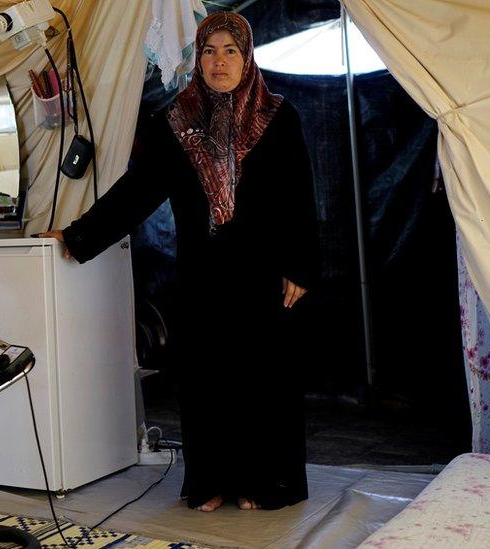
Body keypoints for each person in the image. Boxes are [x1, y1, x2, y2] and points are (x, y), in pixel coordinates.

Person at [40, 11, 318, 512]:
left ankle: (260, 481)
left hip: (260, 272)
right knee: (208, 378)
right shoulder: (177, 121)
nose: (219, 61)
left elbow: (299, 196)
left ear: (246, 56)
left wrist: (300, 266)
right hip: (203, 272)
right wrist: (79, 235)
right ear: (197, 57)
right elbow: (138, 191)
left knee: (260, 378)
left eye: (230, 50)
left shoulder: (278, 115)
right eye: (209, 50)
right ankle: (211, 482)